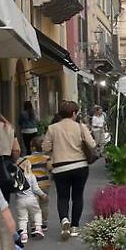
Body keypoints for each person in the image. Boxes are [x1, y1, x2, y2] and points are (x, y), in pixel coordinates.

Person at [43, 100, 96, 240]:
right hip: (80, 166)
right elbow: (92, 144)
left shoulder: (52, 128)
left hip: (60, 167)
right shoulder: (80, 126)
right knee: (77, 196)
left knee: (63, 196)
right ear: (74, 113)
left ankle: (64, 220)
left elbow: (45, 148)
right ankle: (74, 227)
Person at [13, 158, 46, 242]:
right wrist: (42, 195)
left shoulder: (15, 178)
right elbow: (36, 189)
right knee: (37, 213)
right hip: (31, 199)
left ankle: (24, 235)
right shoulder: (31, 176)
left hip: (20, 201)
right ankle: (38, 227)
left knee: (22, 218)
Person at [26, 135, 51, 232]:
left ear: (32, 147)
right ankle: (44, 223)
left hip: (32, 186)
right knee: (44, 205)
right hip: (44, 184)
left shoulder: (27, 159)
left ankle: (33, 225)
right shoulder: (46, 158)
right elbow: (50, 168)